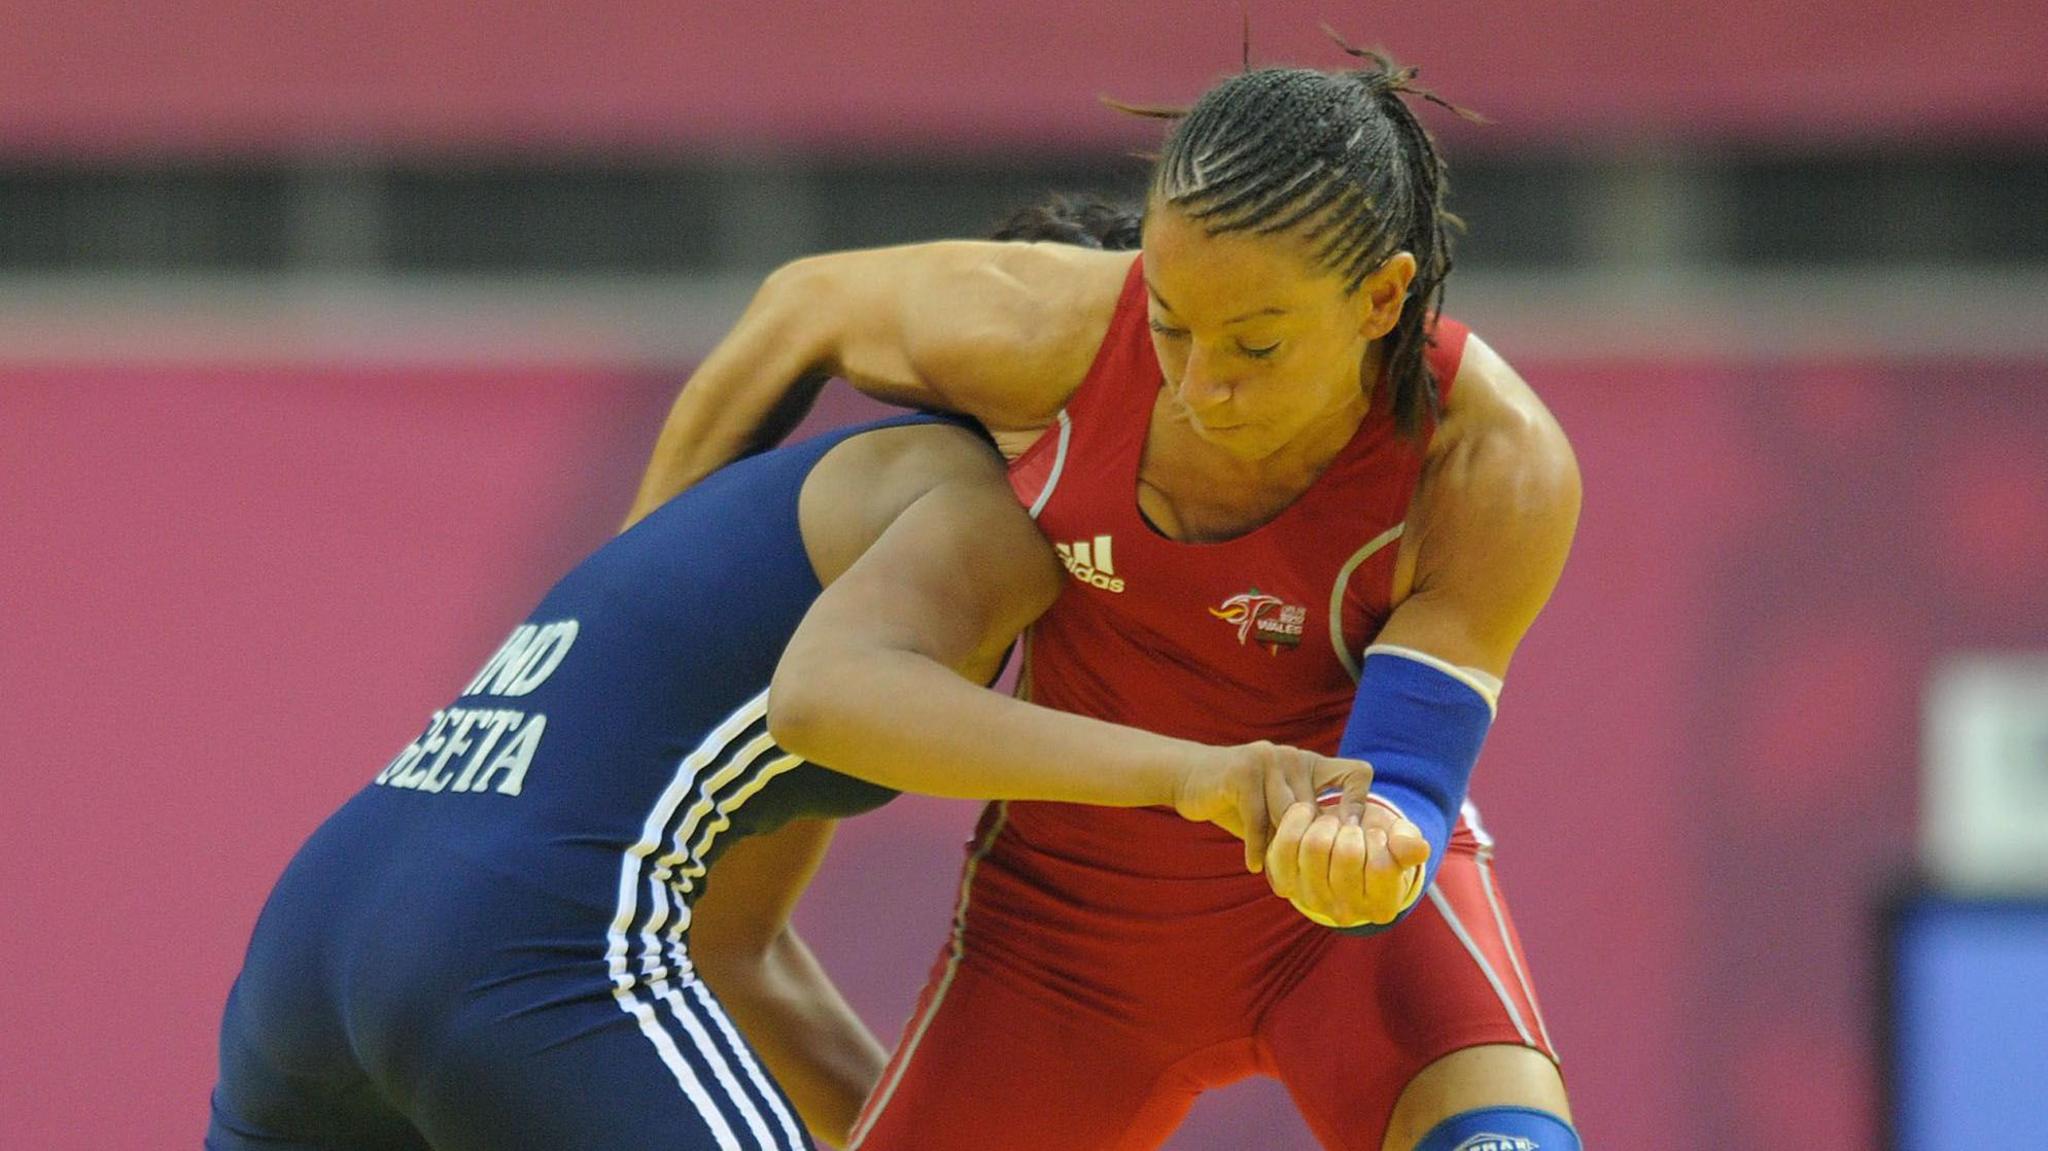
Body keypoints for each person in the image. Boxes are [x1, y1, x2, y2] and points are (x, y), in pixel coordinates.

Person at [628, 49, 1583, 1151]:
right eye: (1169, 320)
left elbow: (1406, 776)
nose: (1195, 383)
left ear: (1380, 296)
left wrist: (1368, 846)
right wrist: (612, 612)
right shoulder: (1060, 332)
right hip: (1063, 941)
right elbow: (799, 308)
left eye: (1255, 344)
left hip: (1345, 942)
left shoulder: (1489, 461)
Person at [207, 412, 1392, 1151]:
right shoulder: (979, 503)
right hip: (522, 938)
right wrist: (1198, 774)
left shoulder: (827, 495)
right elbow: (835, 696)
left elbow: (735, 950)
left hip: (320, 932)